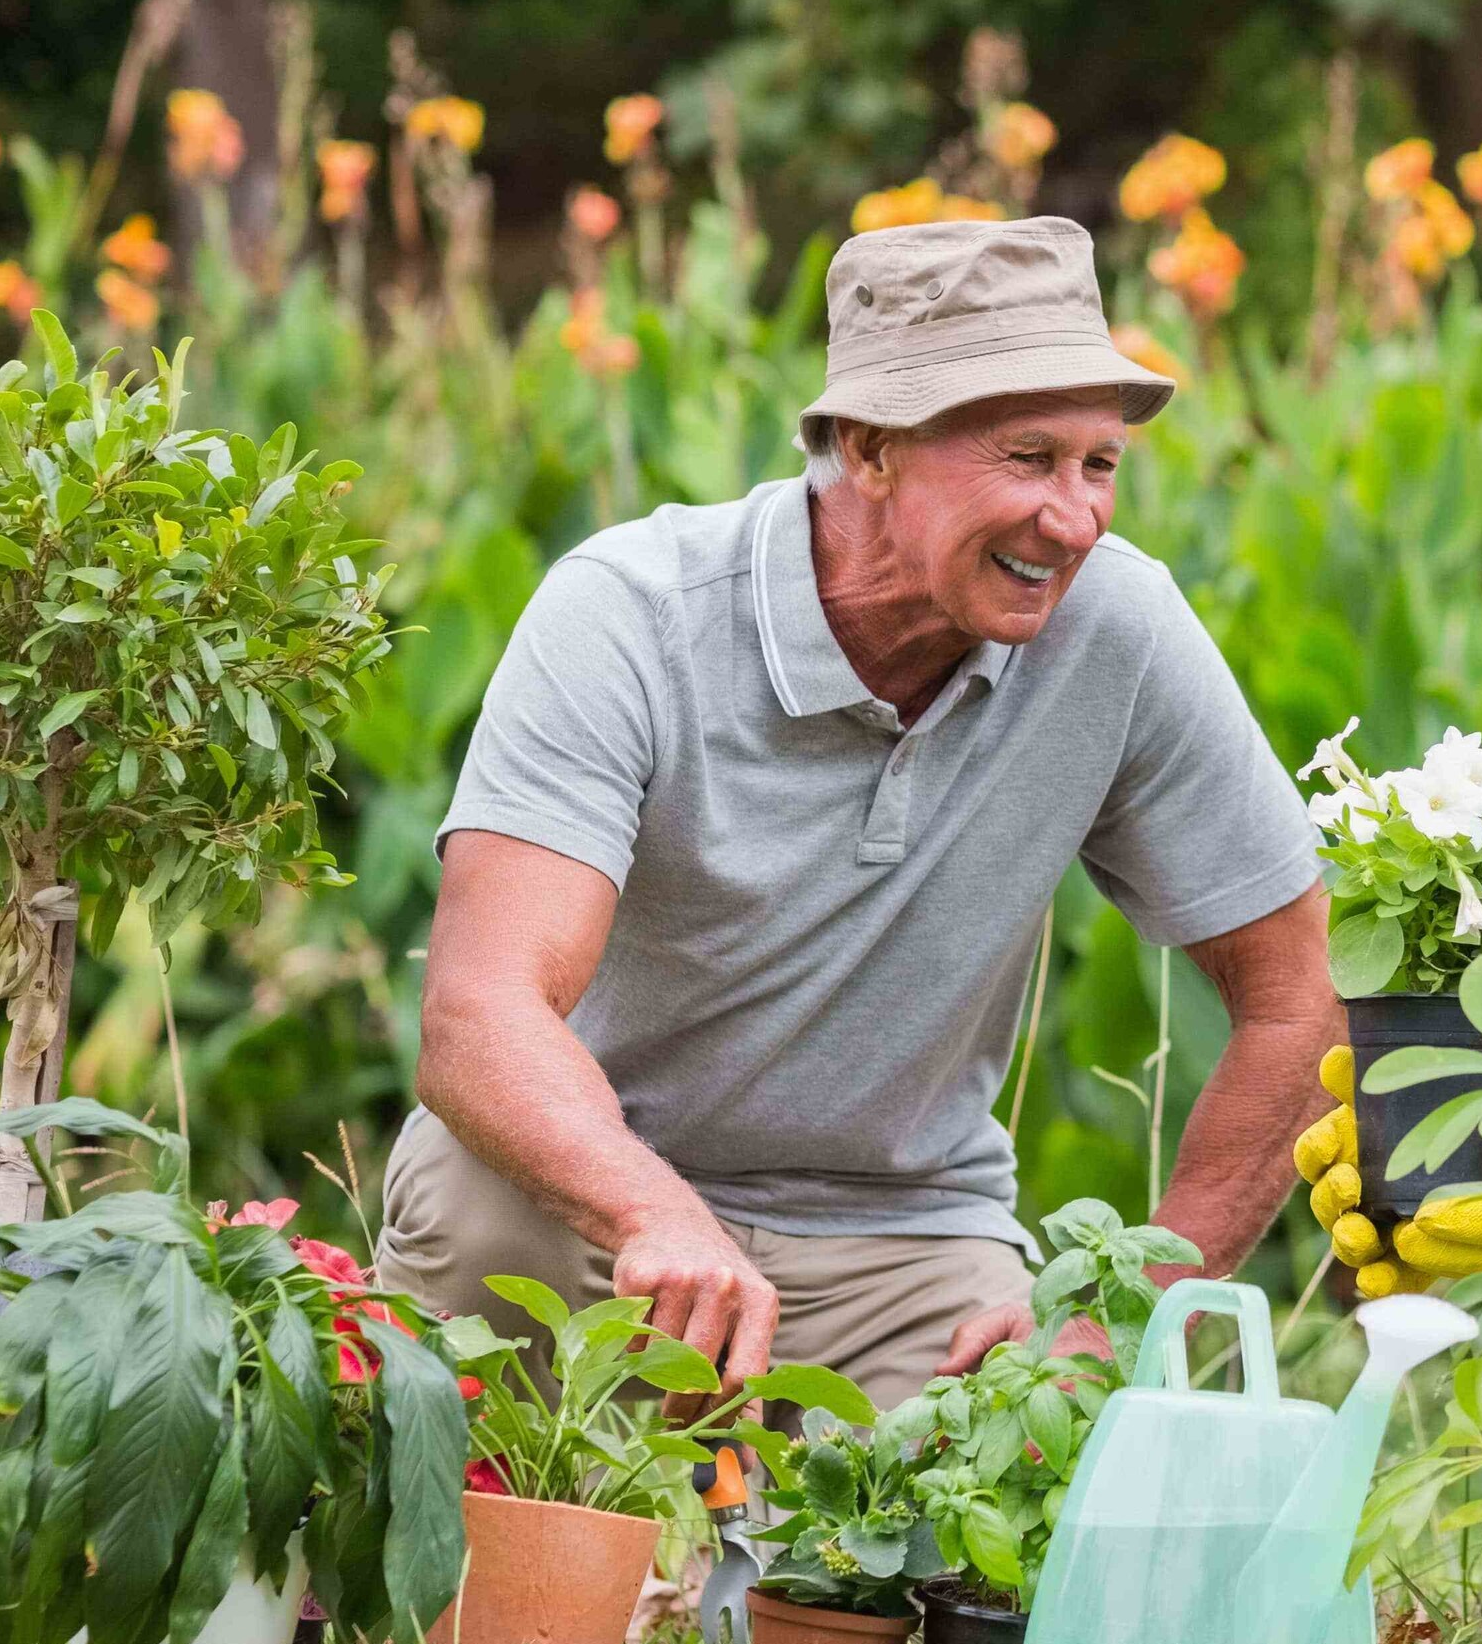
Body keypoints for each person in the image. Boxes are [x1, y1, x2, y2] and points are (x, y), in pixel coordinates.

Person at [375, 215, 1335, 1404]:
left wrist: (1126, 1311)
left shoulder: (1118, 634)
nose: (1078, 519)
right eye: (1029, 457)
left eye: (1101, 465)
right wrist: (655, 1212)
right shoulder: (631, 612)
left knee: (1001, 1513)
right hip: (578, 1200)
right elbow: (480, 1013)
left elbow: (1302, 994)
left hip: (909, 1241)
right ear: (872, 448)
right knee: (503, 1527)